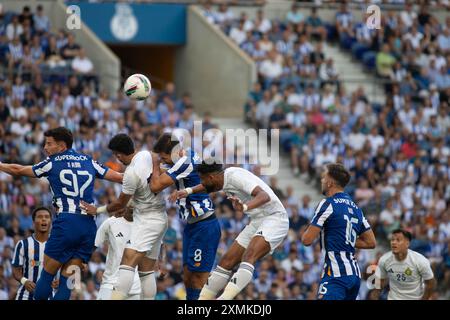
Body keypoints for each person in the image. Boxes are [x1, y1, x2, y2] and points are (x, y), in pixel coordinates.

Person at [0, 127, 123, 300]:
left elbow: (18, 170)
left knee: (47, 275)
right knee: (67, 281)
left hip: (66, 223)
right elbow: (119, 177)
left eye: (49, 144)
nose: (45, 147)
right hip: (88, 227)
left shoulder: (52, 162)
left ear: (62, 146)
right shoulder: (89, 161)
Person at [81, 134, 167, 300]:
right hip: (161, 218)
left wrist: (97, 210)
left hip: (145, 218)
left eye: (115, 154)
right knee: (146, 271)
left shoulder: (130, 174)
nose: (116, 158)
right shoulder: (146, 155)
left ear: (118, 154)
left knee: (127, 261)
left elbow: (120, 204)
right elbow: (158, 161)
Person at [194, 162, 289, 300]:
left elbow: (264, 196)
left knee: (249, 255)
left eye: (203, 179)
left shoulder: (235, 176)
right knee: (226, 261)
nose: (202, 183)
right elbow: (204, 186)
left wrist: (244, 207)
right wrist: (188, 191)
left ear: (212, 177)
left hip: (275, 218)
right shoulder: (222, 179)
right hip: (258, 220)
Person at [149, 133, 221, 300]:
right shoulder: (186, 153)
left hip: (204, 226)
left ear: (174, 153)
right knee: (188, 276)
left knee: (198, 279)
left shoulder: (184, 163)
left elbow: (155, 186)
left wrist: (153, 162)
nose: (163, 160)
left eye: (164, 157)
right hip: (192, 225)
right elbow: (166, 171)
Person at [301, 163, 376, 300]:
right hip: (354, 274)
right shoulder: (356, 208)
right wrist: (345, 240)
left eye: (324, 178)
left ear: (330, 183)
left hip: (336, 274)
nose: (321, 181)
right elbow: (371, 242)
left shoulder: (327, 204)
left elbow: (306, 240)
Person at [373, 229, 435, 300]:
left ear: (407, 244)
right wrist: (374, 296)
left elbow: (431, 283)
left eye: (398, 240)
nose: (393, 242)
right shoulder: (384, 260)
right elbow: (379, 284)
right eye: (392, 240)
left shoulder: (420, 261)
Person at [95, 207, 141, 300]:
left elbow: (160, 244)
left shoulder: (144, 226)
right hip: (111, 282)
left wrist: (160, 263)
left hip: (135, 287)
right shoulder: (111, 223)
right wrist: (83, 262)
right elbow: (95, 244)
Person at [12, 207, 53, 300]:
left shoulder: (57, 244)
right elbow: (15, 271)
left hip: (49, 296)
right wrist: (24, 281)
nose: (43, 219)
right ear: (33, 222)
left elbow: (64, 268)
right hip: (26, 295)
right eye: (40, 217)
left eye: (47, 217)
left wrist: (60, 281)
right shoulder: (23, 244)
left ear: (50, 222)